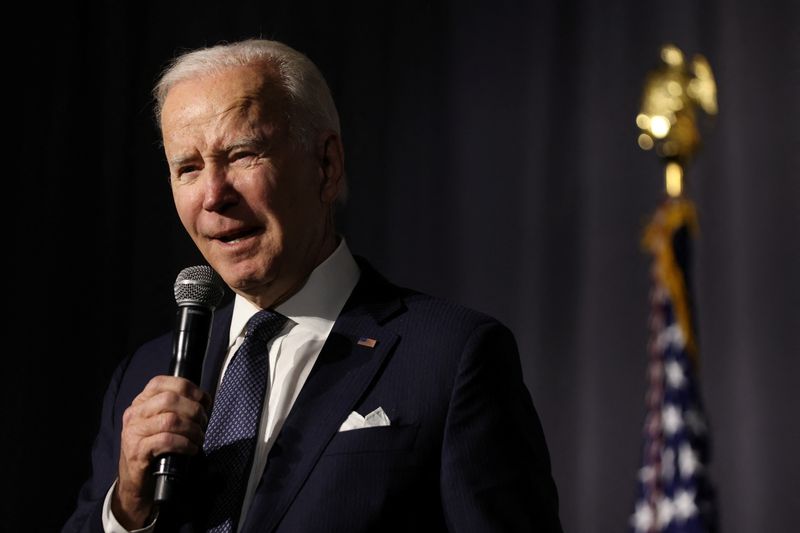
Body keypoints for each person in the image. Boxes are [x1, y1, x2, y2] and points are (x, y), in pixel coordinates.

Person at [62, 38, 562, 533]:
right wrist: (127, 508)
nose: (213, 196)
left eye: (242, 155)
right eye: (188, 169)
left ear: (326, 166)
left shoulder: (450, 358)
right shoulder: (143, 377)